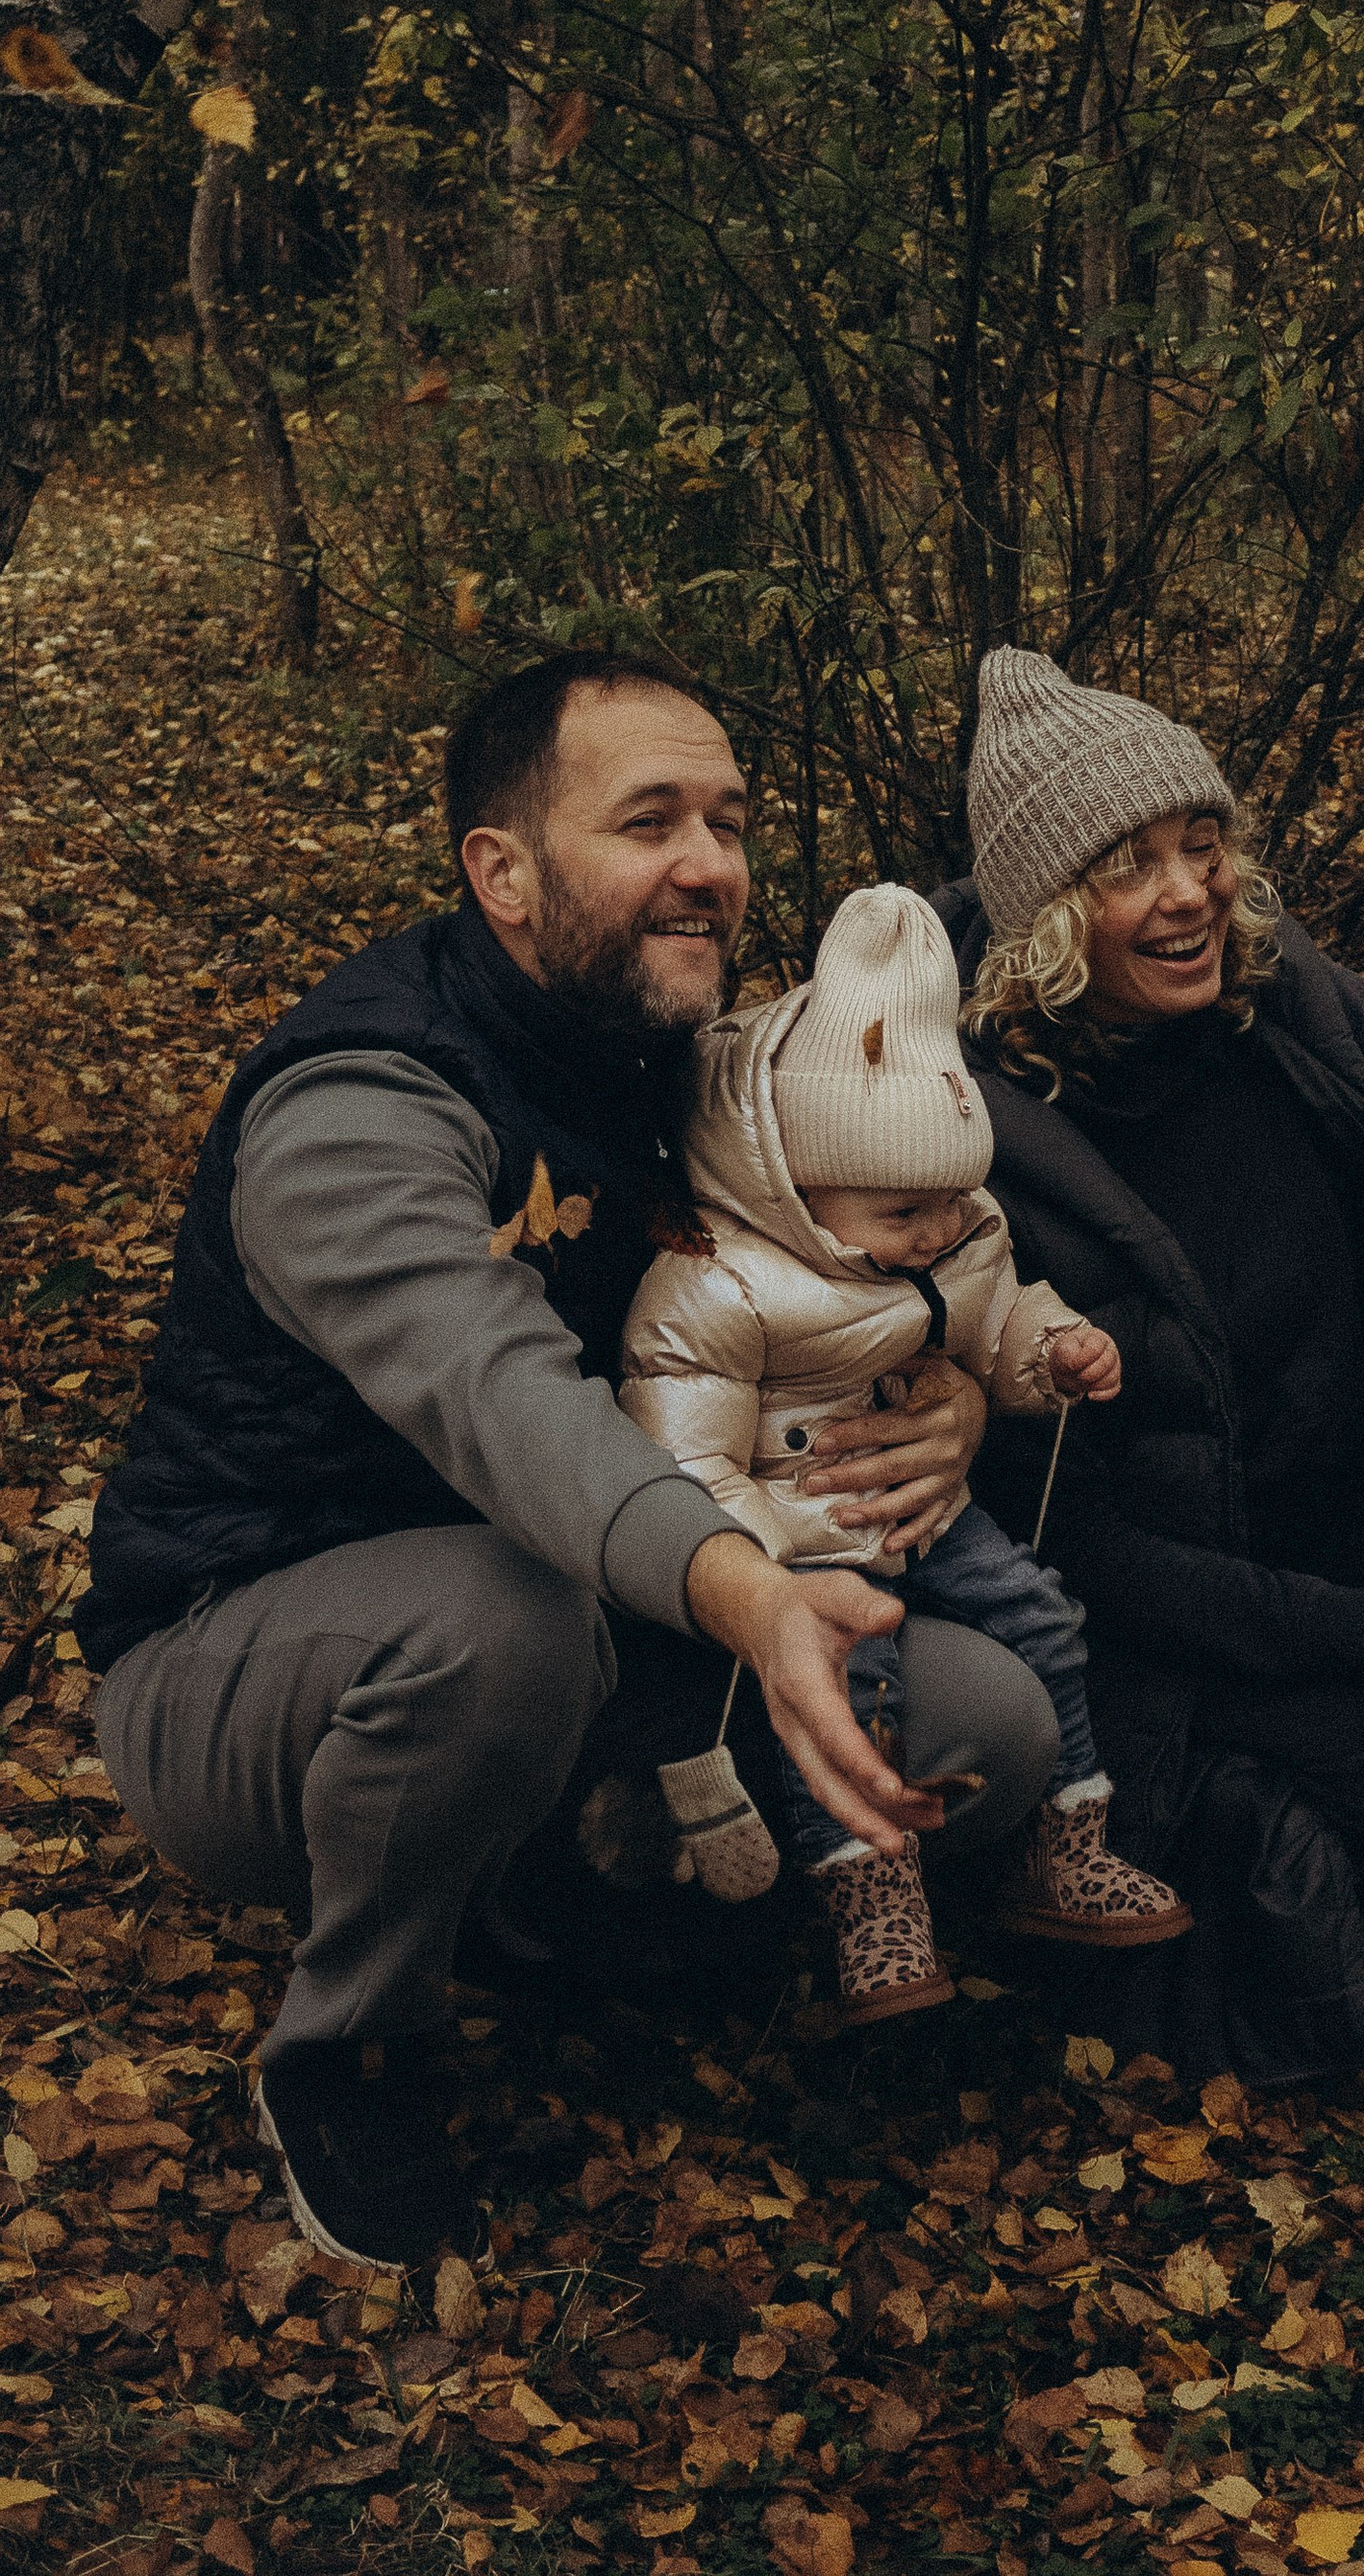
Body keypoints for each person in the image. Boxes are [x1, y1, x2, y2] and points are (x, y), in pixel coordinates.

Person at [84, 656, 1060, 2272]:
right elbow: (497, 1394)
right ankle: (352, 2052)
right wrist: (749, 1598)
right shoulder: (361, 1102)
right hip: (251, 1661)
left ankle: (548, 1904)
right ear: (504, 873)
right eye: (651, 820)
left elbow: (894, 1222)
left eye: (732, 823)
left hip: (612, 1629)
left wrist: (955, 1381)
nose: (712, 863)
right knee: (498, 1617)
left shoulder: (683, 1060)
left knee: (992, 1727)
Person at [934, 646, 1364, 2089]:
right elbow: (1059, 1534)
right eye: (1130, 868)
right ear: (1048, 915)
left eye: (1201, 844)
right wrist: (1334, 1628)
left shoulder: (1285, 1000)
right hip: (1169, 1606)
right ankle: (1319, 1810)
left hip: (1361, 1504)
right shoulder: (975, 1144)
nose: (1189, 894)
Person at [619, 881, 1193, 2018]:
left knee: (1041, 1613)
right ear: (791, 1188)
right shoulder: (720, 1286)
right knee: (853, 1685)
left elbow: (994, 1319)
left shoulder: (952, 1229)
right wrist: (780, 1546)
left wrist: (1052, 1355)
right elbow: (681, 1462)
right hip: (791, 1533)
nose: (935, 1230)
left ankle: (1067, 1841)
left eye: (948, 1200)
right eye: (898, 1213)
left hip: (928, 1513)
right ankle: (868, 1902)